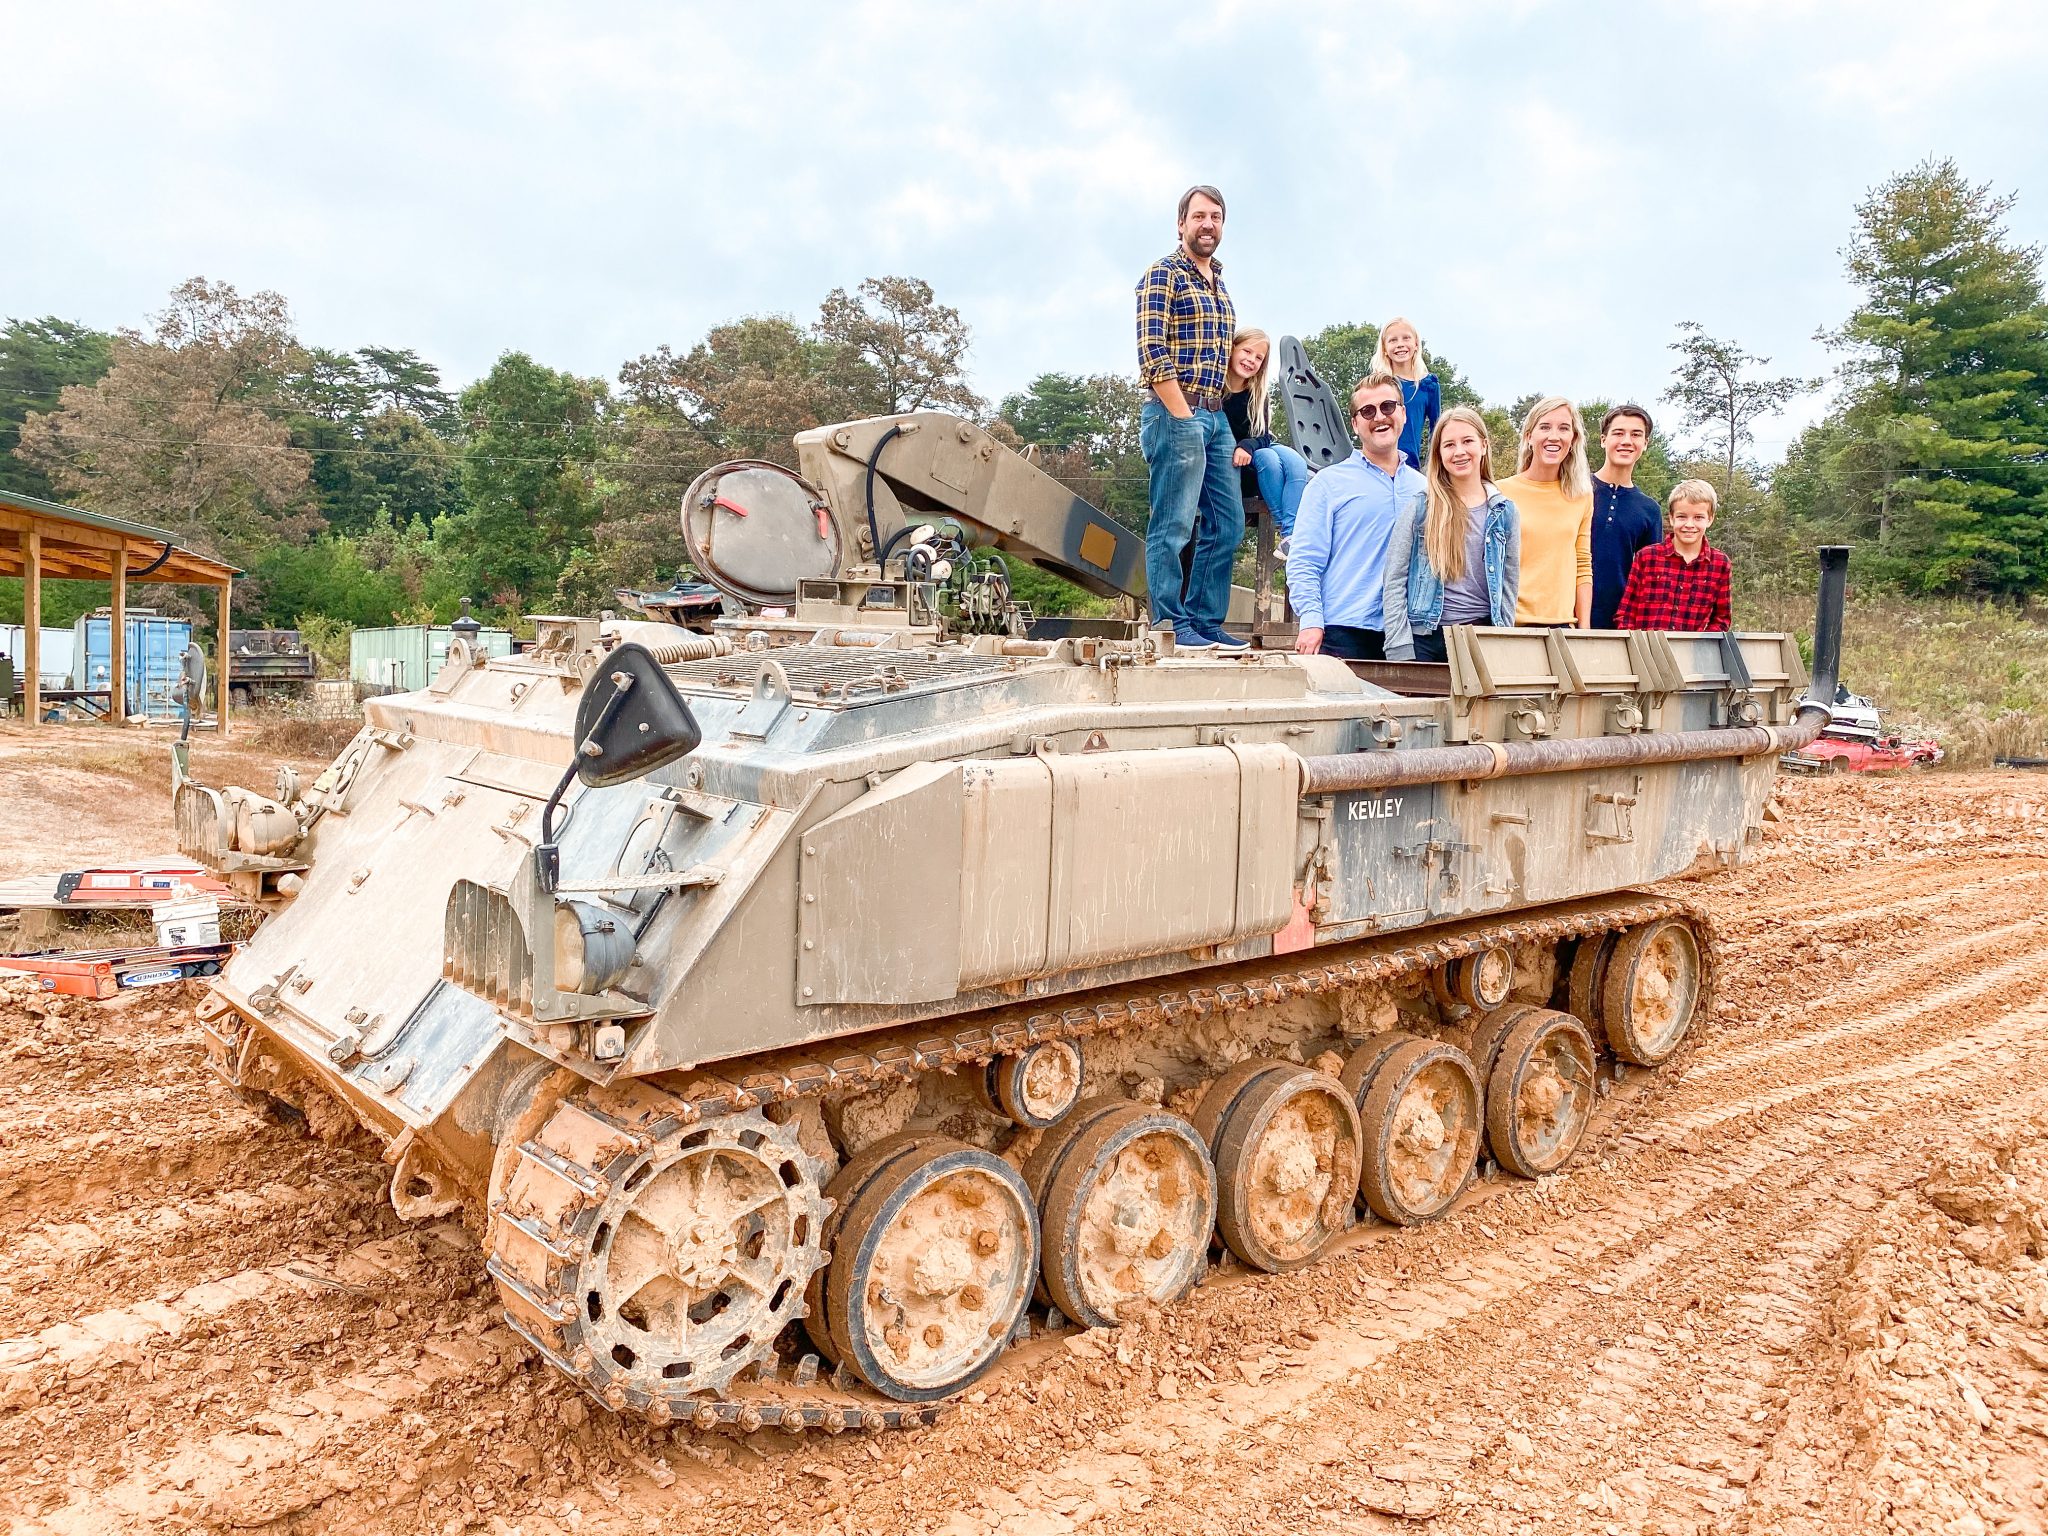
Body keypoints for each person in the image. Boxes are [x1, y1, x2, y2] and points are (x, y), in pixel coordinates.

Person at [1135, 184, 1246, 651]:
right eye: (1199, 216)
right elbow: (1152, 352)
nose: (1208, 224)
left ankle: (1203, 620)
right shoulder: (1162, 275)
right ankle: (1169, 623)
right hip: (1175, 411)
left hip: (1217, 416)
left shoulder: (1219, 284)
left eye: (1216, 217)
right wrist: (1182, 417)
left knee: (1228, 524)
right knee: (1173, 524)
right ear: (1181, 224)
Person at [1287, 372, 1426, 661]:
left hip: (1409, 633)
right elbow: (1304, 560)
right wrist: (1311, 619)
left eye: (1387, 407)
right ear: (1355, 423)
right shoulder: (1328, 484)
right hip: (1344, 630)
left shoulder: (1425, 488)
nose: (1379, 417)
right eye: (1367, 411)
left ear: (1402, 412)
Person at [1383, 406, 1520, 662]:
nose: (1459, 451)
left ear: (1484, 446)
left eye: (1467, 441)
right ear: (1439, 454)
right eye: (1449, 445)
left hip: (1481, 638)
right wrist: (1398, 646)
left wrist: (1505, 640)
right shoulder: (1421, 507)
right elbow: (1394, 579)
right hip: (1425, 638)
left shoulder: (1505, 512)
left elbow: (1509, 585)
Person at [1500, 395, 1593, 627]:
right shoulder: (1500, 491)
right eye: (1545, 427)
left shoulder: (1582, 496)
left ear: (1573, 439)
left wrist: (1585, 629)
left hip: (1563, 628)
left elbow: (1583, 564)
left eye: (1563, 428)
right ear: (1529, 437)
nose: (1554, 436)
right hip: (1511, 624)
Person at [1222, 327, 1310, 544]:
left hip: (1255, 448)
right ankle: (1284, 525)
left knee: (1296, 462)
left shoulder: (1257, 394)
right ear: (1232, 350)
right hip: (1239, 464)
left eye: (1259, 357)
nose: (1251, 360)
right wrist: (1244, 448)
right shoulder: (1216, 392)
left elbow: (1263, 435)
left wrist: (1247, 445)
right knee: (1269, 459)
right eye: (1247, 352)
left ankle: (1291, 532)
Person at [1615, 478, 1733, 631]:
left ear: (1710, 519)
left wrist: (1701, 647)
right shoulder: (1646, 557)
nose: (1689, 525)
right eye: (1682, 517)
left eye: (1698, 517)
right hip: (1645, 650)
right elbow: (1625, 614)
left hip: (1690, 652)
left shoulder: (1720, 564)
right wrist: (1634, 645)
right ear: (1671, 518)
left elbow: (1721, 620)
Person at [1589, 404, 1664, 629]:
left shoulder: (1649, 509)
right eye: (1618, 433)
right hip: (1563, 619)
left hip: (1619, 626)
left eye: (1636, 434)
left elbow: (1649, 578)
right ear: (1603, 440)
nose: (1626, 441)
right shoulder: (1575, 490)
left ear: (1645, 444)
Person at [1371, 317, 1441, 471]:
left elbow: (1437, 431)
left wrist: (1432, 467)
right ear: (1384, 348)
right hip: (1378, 462)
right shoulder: (1378, 384)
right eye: (1393, 340)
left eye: (1406, 338)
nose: (1400, 344)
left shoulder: (1428, 385)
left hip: (1410, 464)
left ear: (1416, 344)